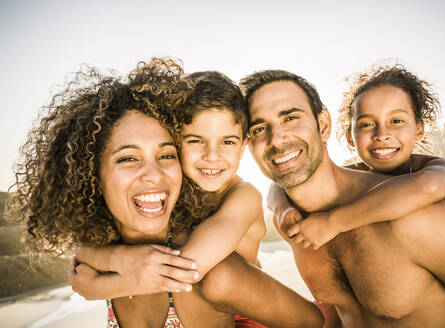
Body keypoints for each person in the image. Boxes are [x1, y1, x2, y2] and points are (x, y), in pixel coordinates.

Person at [8, 59, 325, 327]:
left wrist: (98, 285)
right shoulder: (174, 203)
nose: (211, 156)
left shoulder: (239, 201)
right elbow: (99, 248)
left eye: (227, 141)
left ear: (242, 145)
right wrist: (113, 257)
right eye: (194, 141)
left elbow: (186, 269)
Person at [239, 69, 445, 327]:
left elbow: (434, 183)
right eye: (259, 128)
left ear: (323, 125)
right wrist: (280, 209)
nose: (276, 139)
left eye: (291, 117)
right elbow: (341, 311)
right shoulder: (293, 220)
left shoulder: (417, 216)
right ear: (248, 146)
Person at [266, 65, 445, 250]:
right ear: (350, 137)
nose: (381, 134)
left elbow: (428, 187)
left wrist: (333, 222)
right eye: (366, 124)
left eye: (396, 121)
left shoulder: (437, 168)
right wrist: (283, 210)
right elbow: (283, 183)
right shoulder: (355, 173)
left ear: (419, 129)